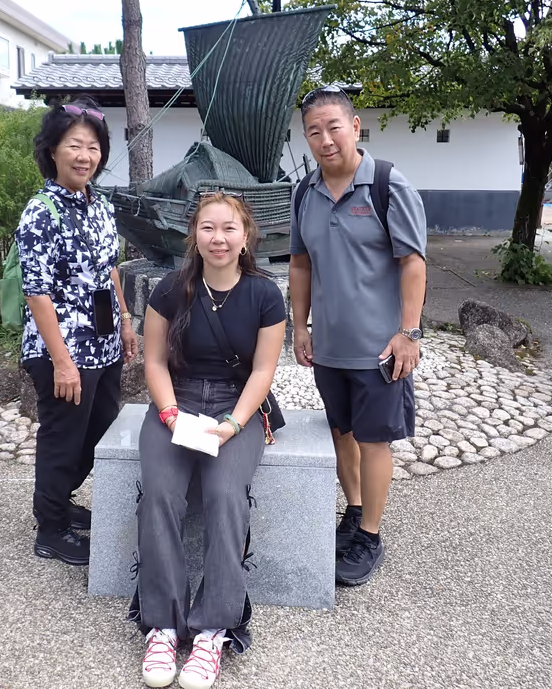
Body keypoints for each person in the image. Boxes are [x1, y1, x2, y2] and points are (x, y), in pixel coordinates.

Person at [129, 193, 286, 689]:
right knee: (159, 493)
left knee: (224, 496)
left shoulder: (265, 294)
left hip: (234, 406)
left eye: (229, 229)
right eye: (208, 228)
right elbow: (153, 361)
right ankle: (161, 624)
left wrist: (235, 424)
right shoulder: (172, 289)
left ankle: (214, 627)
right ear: (193, 235)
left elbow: (263, 371)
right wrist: (171, 413)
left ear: (246, 237)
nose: (218, 238)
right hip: (175, 400)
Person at [289, 85, 427, 587]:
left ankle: (370, 534)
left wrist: (408, 334)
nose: (325, 139)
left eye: (334, 127)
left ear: (356, 125)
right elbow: (300, 264)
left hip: (380, 349)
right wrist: (299, 326)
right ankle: (353, 510)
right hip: (328, 345)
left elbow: (413, 263)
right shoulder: (304, 192)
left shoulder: (389, 185)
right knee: (340, 432)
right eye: (313, 131)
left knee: (373, 439)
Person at [16, 99, 138, 566]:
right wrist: (63, 361)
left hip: (103, 344)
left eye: (93, 147)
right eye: (74, 146)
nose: (84, 156)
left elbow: (109, 270)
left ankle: (59, 502)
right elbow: (37, 292)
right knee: (63, 438)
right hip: (62, 352)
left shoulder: (100, 204)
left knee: (97, 435)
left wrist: (126, 322)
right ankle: (50, 528)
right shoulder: (41, 211)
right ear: (52, 151)